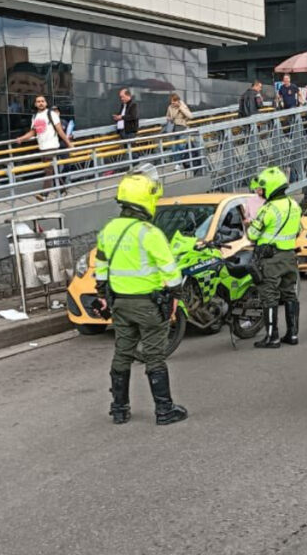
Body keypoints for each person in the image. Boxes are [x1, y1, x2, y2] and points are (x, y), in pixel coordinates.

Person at [94, 167, 188, 426]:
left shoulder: (109, 230)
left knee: (122, 352)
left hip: (120, 303)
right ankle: (164, 410)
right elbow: (171, 270)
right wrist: (176, 296)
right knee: (154, 355)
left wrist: (102, 294)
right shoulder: (149, 232)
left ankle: (119, 409)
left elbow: (101, 267)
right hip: (148, 304)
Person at [246, 167, 302, 348]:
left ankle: (272, 337)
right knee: (290, 294)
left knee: (269, 296)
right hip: (290, 257)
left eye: (261, 189)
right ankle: (292, 334)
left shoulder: (268, 209)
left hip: (271, 259)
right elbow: (299, 229)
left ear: (270, 187)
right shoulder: (294, 205)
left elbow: (252, 234)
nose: (259, 192)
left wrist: (250, 224)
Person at [16, 95, 74, 200]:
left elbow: (60, 130)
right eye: (38, 101)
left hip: (52, 146)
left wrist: (68, 143)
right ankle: (62, 189)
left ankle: (44, 194)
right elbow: (33, 132)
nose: (41, 103)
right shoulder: (35, 117)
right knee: (52, 169)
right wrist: (22, 138)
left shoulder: (51, 114)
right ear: (35, 104)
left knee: (48, 170)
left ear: (46, 103)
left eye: (42, 101)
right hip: (42, 147)